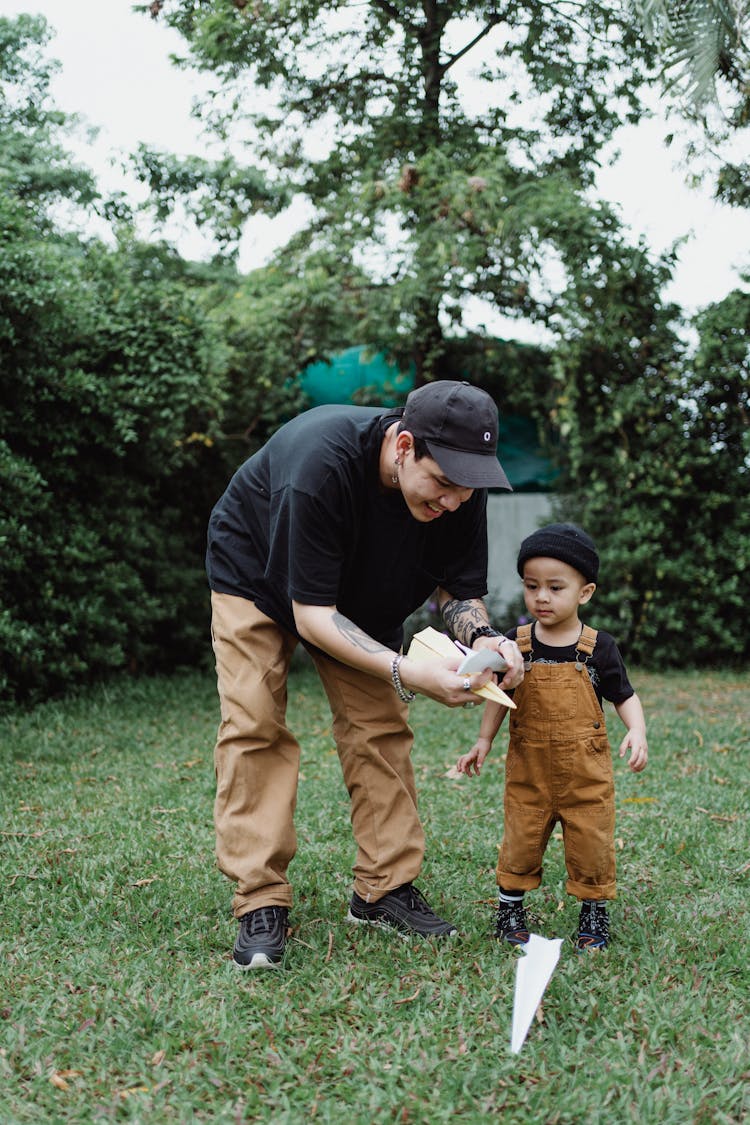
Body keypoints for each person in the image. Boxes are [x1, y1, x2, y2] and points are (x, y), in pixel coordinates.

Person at [206, 380, 525, 969]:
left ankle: (383, 888)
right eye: (443, 484)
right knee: (254, 720)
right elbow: (313, 616)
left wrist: (486, 640)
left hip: (362, 592)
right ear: (404, 446)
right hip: (255, 573)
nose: (453, 501)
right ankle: (260, 896)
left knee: (379, 726)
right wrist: (406, 669)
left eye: (466, 488)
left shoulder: (462, 487)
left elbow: (459, 590)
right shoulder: (319, 467)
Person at [456, 523, 648, 951]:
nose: (541, 597)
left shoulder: (598, 649)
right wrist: (484, 741)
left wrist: (636, 729)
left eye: (555, 587)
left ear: (585, 592)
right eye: (531, 586)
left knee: (592, 845)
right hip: (529, 773)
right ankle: (510, 909)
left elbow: (624, 696)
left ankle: (594, 914)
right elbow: (497, 698)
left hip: (586, 776)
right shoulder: (515, 647)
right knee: (520, 841)